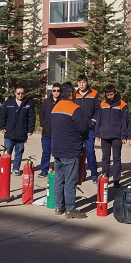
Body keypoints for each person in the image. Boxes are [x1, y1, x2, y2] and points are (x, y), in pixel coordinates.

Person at [51, 82, 93, 219]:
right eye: (74, 92)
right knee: (70, 180)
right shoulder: (74, 108)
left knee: (59, 179)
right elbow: (83, 127)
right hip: (70, 149)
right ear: (70, 94)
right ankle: (70, 209)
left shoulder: (56, 107)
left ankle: (59, 207)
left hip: (57, 148)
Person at [95, 84, 128, 188]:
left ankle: (116, 179)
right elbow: (99, 119)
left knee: (116, 158)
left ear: (115, 93)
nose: (109, 97)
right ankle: (105, 176)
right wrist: (97, 134)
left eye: (111, 94)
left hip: (117, 136)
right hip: (105, 135)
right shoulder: (102, 104)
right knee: (105, 157)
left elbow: (124, 121)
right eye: (107, 95)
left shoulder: (122, 104)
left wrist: (123, 136)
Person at [0, 85, 36, 176]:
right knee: (7, 152)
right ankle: (6, 168)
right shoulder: (8, 103)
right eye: (18, 93)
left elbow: (31, 118)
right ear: (15, 93)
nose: (20, 95)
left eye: (22, 93)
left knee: (19, 152)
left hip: (21, 133)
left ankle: (16, 168)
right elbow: (3, 115)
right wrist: (2, 126)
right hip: (9, 132)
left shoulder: (28, 104)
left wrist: (30, 129)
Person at [75, 74, 101, 183]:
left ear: (87, 82)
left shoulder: (94, 93)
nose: (82, 84)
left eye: (83, 82)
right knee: (79, 151)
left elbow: (98, 109)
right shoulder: (74, 94)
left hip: (89, 128)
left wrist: (93, 121)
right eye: (80, 82)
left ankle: (94, 175)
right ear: (77, 83)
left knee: (90, 151)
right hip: (77, 128)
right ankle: (82, 174)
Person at [38, 83, 62, 178]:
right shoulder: (47, 102)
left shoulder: (62, 102)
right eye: (54, 90)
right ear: (52, 91)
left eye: (58, 91)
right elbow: (41, 113)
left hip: (58, 133)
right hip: (47, 133)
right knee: (46, 152)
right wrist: (43, 123)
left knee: (58, 153)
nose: (56, 92)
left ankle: (58, 171)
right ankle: (44, 170)